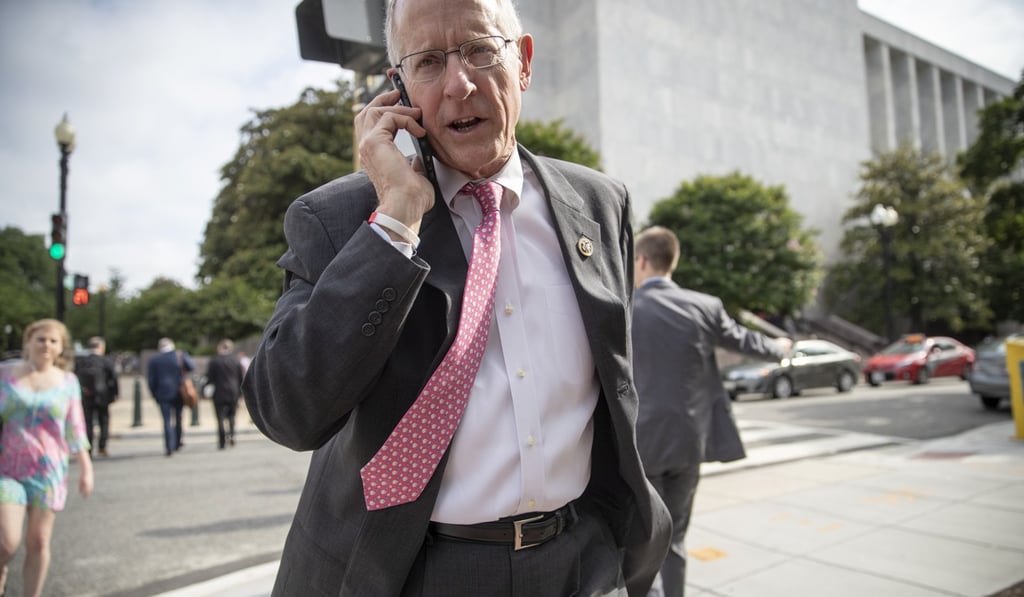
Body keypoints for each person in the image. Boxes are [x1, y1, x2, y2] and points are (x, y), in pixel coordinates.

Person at [242, 0, 671, 594]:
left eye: (479, 50)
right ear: (400, 90)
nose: (458, 83)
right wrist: (394, 223)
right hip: (416, 569)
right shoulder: (338, 219)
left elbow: (615, 386)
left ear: (522, 62)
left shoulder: (601, 204)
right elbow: (287, 412)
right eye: (427, 62)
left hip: (582, 558)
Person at [630, 226, 793, 597]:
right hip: (690, 441)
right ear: (673, 262)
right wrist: (779, 346)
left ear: (641, 260)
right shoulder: (706, 306)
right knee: (676, 537)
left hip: (643, 442)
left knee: (643, 538)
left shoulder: (626, 306)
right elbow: (746, 340)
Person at [0, 319, 93, 597]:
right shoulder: (5, 374)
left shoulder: (67, 382)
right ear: (28, 341)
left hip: (48, 470)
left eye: (53, 341)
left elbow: (75, 427)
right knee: (7, 542)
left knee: (39, 541)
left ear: (61, 347)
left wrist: (86, 468)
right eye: (40, 339)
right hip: (8, 468)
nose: (46, 345)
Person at [146, 338, 193, 457]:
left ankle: (169, 446)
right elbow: (191, 367)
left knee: (166, 420)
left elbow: (151, 381)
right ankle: (177, 442)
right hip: (179, 391)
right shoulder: (179, 355)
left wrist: (154, 394)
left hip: (163, 393)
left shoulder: (155, 360)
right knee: (178, 418)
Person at [74, 336, 119, 457]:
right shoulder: (105, 361)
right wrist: (115, 394)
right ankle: (102, 447)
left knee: (88, 423)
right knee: (104, 421)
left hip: (86, 395)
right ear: (101, 347)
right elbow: (113, 378)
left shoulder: (82, 362)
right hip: (102, 395)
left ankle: (88, 449)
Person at [205, 339, 244, 449]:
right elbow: (240, 378)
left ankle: (222, 441)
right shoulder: (235, 360)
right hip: (233, 391)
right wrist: (241, 393)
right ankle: (232, 434)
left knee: (220, 418)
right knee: (232, 416)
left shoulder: (215, 361)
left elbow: (209, 378)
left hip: (219, 392)